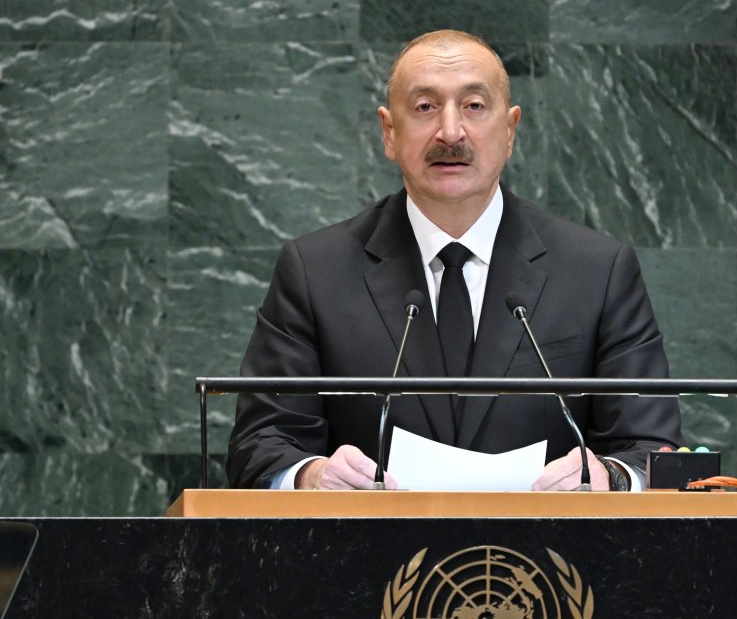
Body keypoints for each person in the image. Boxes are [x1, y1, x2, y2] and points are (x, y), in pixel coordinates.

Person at [226, 29, 683, 491]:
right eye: (425, 107)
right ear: (389, 131)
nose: (450, 132)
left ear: (510, 130)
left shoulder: (598, 271)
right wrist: (311, 476)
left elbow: (651, 447)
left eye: (474, 106)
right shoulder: (315, 271)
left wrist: (612, 478)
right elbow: (261, 444)